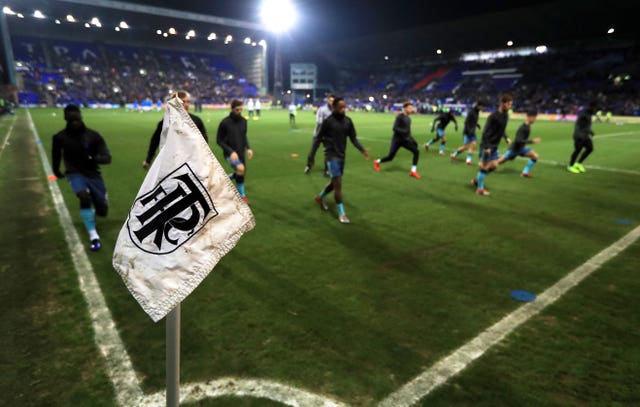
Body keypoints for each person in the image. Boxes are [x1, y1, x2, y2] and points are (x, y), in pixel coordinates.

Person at [51, 104, 112, 251]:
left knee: (102, 211)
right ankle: (93, 235)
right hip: (74, 173)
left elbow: (107, 158)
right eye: (70, 117)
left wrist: (93, 158)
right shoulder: (59, 137)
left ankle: (102, 200)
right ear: (65, 118)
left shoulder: (93, 136)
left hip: (93, 174)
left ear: (80, 116)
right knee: (84, 197)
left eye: (75, 117)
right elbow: (56, 156)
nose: (73, 121)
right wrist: (56, 171)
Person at [311, 97, 369, 224]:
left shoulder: (348, 121)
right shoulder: (328, 122)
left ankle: (319, 197)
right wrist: (311, 156)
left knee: (334, 183)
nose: (343, 109)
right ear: (334, 108)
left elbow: (353, 138)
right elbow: (318, 138)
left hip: (341, 156)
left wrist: (362, 149)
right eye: (340, 107)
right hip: (331, 156)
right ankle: (342, 214)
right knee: (338, 184)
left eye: (344, 107)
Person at [142, 91, 207, 169]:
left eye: (188, 102)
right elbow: (155, 141)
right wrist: (148, 160)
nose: (186, 104)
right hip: (171, 163)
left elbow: (204, 141)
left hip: (192, 162)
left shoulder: (196, 121)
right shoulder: (165, 123)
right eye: (183, 102)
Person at [473, 94, 513, 196]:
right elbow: (485, 132)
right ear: (502, 103)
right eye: (508, 104)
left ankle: (477, 180)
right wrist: (486, 147)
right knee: (485, 166)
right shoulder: (493, 116)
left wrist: (506, 138)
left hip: (495, 145)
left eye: (510, 104)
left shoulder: (506, 115)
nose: (510, 106)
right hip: (487, 145)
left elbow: (502, 129)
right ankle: (480, 189)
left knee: (494, 165)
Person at [217, 99, 253, 202]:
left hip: (241, 153)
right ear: (232, 109)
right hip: (230, 154)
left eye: (241, 109)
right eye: (237, 109)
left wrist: (248, 148)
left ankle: (227, 178)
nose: (240, 112)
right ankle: (242, 196)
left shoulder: (244, 121)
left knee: (241, 172)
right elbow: (219, 140)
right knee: (241, 169)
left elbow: (244, 136)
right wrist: (230, 151)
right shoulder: (224, 123)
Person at [373, 101, 421, 178]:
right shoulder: (399, 117)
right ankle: (376, 161)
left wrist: (413, 140)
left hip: (405, 141)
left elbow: (408, 132)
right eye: (409, 108)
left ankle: (413, 171)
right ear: (405, 108)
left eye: (411, 108)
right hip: (397, 141)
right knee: (390, 157)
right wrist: (404, 132)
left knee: (416, 152)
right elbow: (395, 128)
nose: (411, 109)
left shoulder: (409, 119)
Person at [497, 109, 541, 177]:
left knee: (535, 156)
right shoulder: (523, 128)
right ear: (530, 117)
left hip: (522, 148)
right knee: (497, 163)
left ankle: (525, 172)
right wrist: (532, 141)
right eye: (535, 118)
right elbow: (518, 140)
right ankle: (485, 166)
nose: (535, 120)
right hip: (514, 149)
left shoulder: (527, 126)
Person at [305, 94, 334, 177]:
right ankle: (308, 166)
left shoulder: (335, 111)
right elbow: (319, 122)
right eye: (330, 100)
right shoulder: (322, 110)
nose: (332, 102)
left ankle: (326, 170)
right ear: (328, 100)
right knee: (312, 152)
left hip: (327, 136)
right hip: (318, 135)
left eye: (333, 101)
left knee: (328, 154)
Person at [567, 102, 596, 174]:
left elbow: (586, 125)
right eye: (594, 108)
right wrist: (586, 132)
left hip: (585, 135)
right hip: (579, 135)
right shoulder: (584, 114)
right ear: (591, 107)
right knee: (577, 150)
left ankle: (578, 163)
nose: (595, 110)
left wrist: (590, 132)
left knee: (590, 148)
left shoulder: (588, 113)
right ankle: (571, 166)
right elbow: (580, 125)